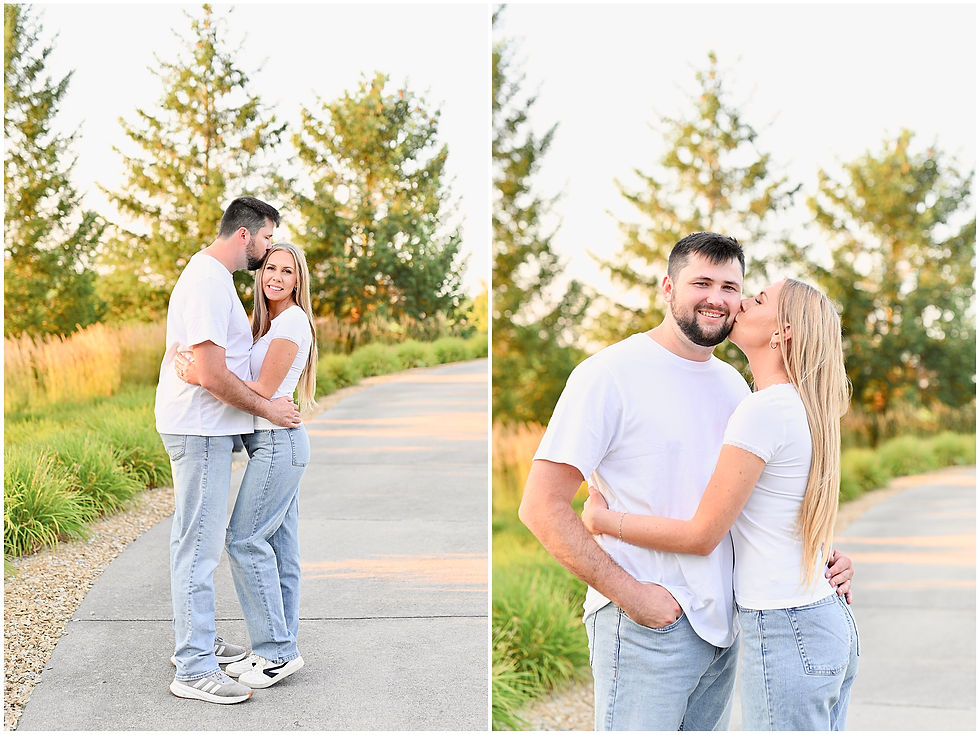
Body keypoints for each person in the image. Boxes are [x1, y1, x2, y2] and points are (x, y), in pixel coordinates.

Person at [518, 232, 853, 730]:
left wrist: (822, 556)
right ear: (668, 288)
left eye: (731, 286)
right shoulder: (608, 374)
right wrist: (635, 598)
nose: (717, 298)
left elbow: (757, 503)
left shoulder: (738, 387)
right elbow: (540, 507)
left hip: (726, 631)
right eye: (701, 282)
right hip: (647, 629)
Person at [156, 196, 300, 705]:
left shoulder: (213, 280)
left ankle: (200, 642)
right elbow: (213, 376)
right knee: (198, 547)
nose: (266, 250)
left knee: (197, 543)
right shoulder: (205, 282)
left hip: (209, 429)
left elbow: (215, 368)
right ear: (246, 234)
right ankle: (193, 667)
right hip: (199, 430)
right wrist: (266, 412)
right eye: (266, 239)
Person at [177, 242, 317, 690]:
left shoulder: (292, 322)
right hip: (271, 445)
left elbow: (260, 388)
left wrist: (200, 374)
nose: (275, 276)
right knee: (280, 550)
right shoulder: (270, 323)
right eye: (270, 268)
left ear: (299, 281)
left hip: (279, 444)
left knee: (244, 539)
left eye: (287, 272)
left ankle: (277, 652)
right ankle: (278, 649)